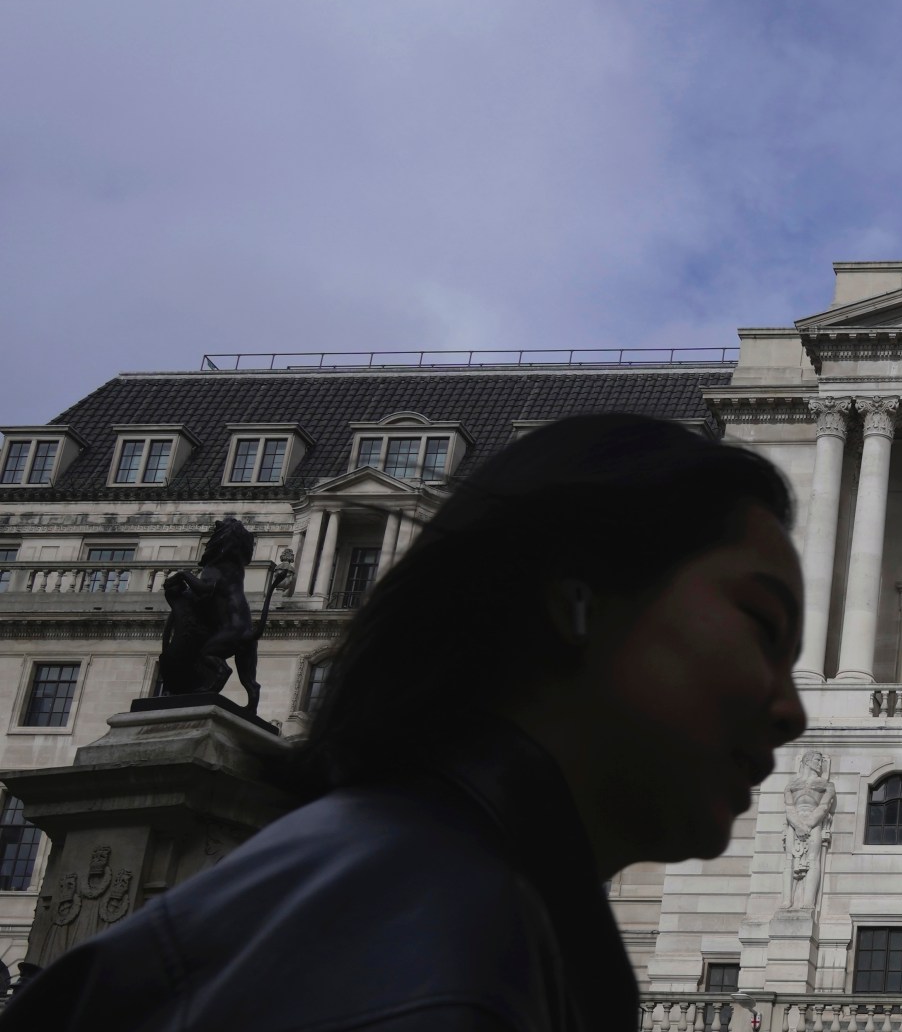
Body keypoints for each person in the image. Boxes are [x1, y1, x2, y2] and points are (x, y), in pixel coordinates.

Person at [3, 413, 809, 1030]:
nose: (793, 708)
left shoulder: (426, 885)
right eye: (762, 628)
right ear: (577, 603)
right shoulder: (433, 940)